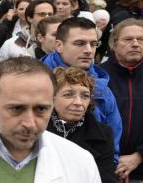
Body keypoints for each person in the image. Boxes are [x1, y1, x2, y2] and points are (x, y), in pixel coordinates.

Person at [42, 17, 122, 164]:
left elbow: (113, 142)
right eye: (79, 43)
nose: (88, 50)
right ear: (59, 45)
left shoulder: (102, 89)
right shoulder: (34, 81)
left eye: (93, 44)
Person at [101, 19, 143, 183]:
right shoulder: (98, 76)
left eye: (140, 39)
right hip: (109, 176)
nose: (136, 43)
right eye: (128, 39)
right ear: (114, 43)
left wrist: (139, 156)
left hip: (141, 175)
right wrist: (114, 162)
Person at [46, 66, 117, 183]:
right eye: (68, 94)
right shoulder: (38, 130)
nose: (78, 102)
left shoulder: (102, 135)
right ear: (52, 98)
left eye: (85, 95)